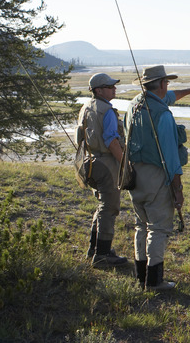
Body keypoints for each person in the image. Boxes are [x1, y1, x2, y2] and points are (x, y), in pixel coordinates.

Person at [125, 65, 190, 290]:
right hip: (156, 176)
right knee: (158, 228)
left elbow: (168, 97)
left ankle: (141, 276)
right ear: (161, 84)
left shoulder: (134, 105)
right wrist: (177, 190)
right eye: (166, 83)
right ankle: (154, 281)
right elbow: (171, 158)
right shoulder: (162, 115)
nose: (168, 87)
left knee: (141, 225)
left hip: (134, 174)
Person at [77, 73, 128, 267]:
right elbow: (111, 141)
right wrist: (124, 165)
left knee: (102, 205)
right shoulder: (106, 110)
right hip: (106, 164)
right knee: (110, 207)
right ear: (98, 90)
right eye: (109, 86)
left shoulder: (86, 108)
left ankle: (95, 248)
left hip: (88, 162)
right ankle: (102, 255)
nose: (114, 89)